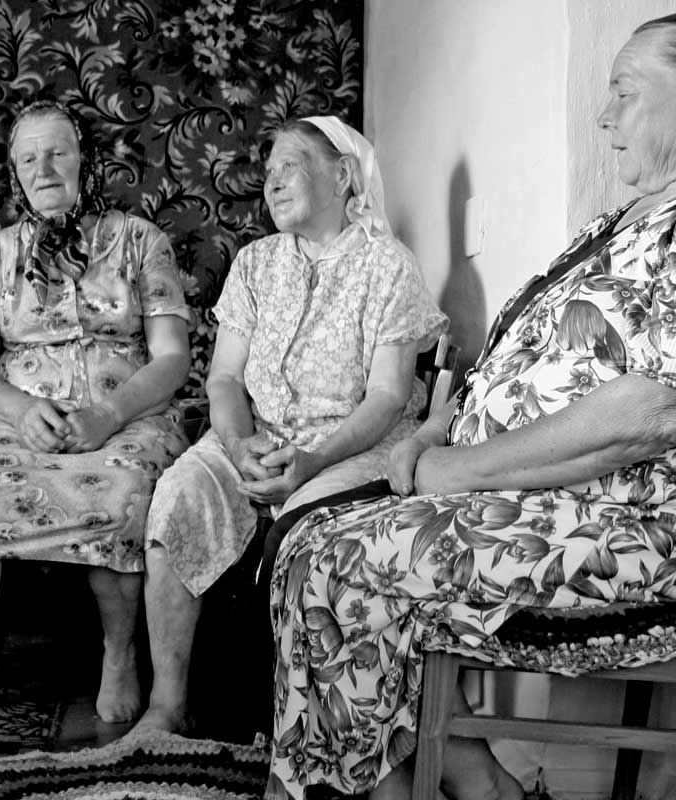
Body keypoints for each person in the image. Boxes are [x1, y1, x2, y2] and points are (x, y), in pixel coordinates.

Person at [263, 12, 676, 800]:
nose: (604, 115)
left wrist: (459, 469)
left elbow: (657, 413)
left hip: (635, 524)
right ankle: (460, 785)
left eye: (623, 91)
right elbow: (515, 348)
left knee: (341, 564)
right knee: (307, 541)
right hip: (549, 499)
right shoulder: (625, 221)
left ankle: (395, 787)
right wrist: (434, 430)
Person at [0, 100, 194, 787]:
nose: (44, 168)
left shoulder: (140, 239)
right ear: (15, 174)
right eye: (29, 158)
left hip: (125, 417)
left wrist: (108, 414)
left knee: (126, 494)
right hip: (17, 422)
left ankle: (119, 653)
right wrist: (22, 409)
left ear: (85, 159)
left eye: (57, 152)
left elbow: (171, 358)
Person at [131, 116, 449, 736]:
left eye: (291, 165)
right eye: (269, 171)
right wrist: (238, 442)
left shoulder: (387, 266)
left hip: (352, 444)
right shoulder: (255, 264)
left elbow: (387, 398)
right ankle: (166, 705)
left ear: (342, 175)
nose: (272, 182)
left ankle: (294, 725)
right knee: (177, 497)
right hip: (255, 435)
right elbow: (223, 379)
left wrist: (312, 462)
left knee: (305, 529)